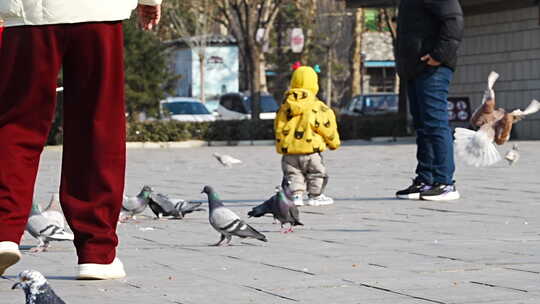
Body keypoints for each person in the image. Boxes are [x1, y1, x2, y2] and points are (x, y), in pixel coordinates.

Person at [0, 0, 162, 279]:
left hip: (28, 13)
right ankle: (97, 253)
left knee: (16, 125)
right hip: (97, 10)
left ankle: (3, 230)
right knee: (98, 127)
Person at [394, 0, 464, 201]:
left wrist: (439, 55)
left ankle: (445, 183)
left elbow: (454, 20)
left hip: (433, 68)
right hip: (415, 68)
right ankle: (426, 180)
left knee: (435, 124)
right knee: (423, 126)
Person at [275, 66, 340, 206]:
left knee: (293, 174)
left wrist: (282, 143)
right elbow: (327, 127)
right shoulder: (318, 106)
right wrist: (334, 143)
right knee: (316, 173)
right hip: (311, 151)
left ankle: (296, 195)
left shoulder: (285, 106)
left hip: (290, 152)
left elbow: (278, 126)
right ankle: (315, 196)